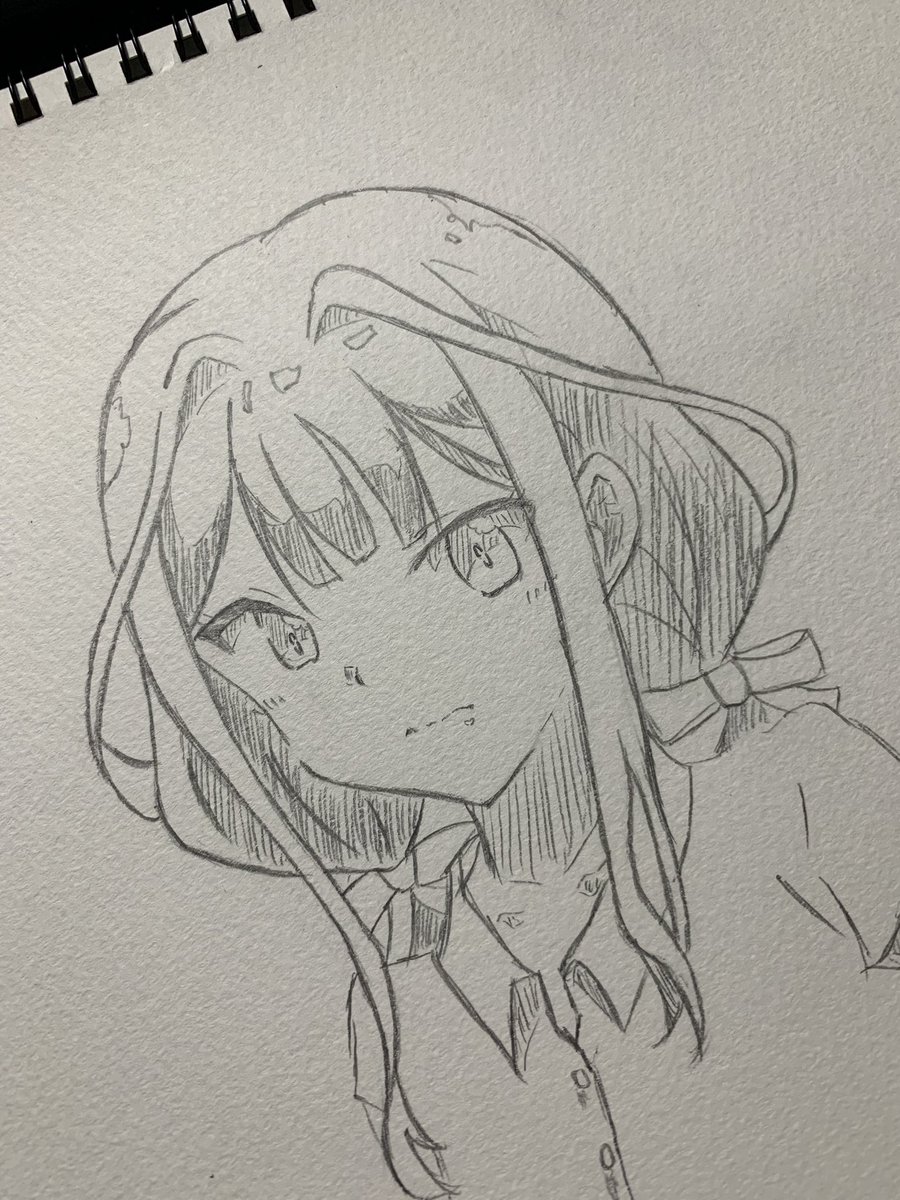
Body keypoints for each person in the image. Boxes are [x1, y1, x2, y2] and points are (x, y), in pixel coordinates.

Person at [88, 188, 900, 1199]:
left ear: (600, 524)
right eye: (272, 637)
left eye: (471, 550)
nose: (353, 673)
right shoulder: (399, 982)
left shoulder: (802, 789)